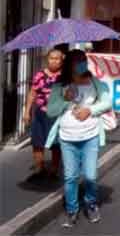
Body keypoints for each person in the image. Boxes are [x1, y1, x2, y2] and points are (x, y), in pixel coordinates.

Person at [46, 50, 112, 228]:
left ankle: (91, 204)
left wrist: (89, 110)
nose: (80, 64)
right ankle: (72, 210)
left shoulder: (96, 83)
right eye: (76, 61)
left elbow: (107, 103)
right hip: (67, 138)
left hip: (90, 136)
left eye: (83, 60)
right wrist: (65, 101)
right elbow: (51, 111)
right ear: (69, 65)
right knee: (70, 177)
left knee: (90, 176)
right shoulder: (59, 86)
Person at [23, 49, 64, 180]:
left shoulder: (65, 77)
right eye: (52, 58)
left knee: (56, 144)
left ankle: (54, 170)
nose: (54, 61)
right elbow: (32, 93)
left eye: (57, 58)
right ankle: (39, 168)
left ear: (61, 61)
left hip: (57, 115)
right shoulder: (40, 75)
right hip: (41, 114)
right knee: (37, 142)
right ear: (47, 59)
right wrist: (27, 111)